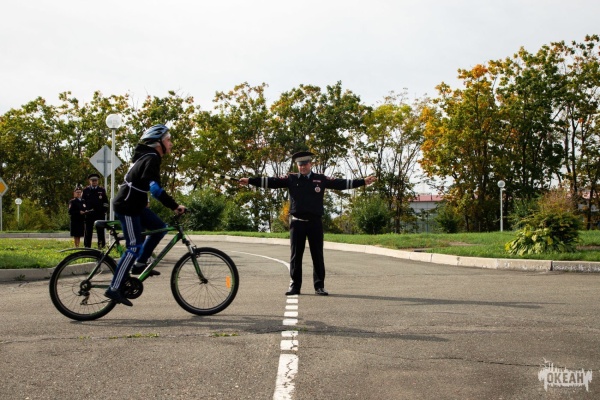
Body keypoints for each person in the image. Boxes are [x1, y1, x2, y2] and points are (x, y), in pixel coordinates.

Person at [239, 151, 377, 296]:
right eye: (300, 165)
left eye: (305, 164)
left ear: (310, 164)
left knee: (317, 255)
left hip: (315, 223)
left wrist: (362, 181)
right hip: (297, 223)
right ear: (297, 166)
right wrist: (250, 180)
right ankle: (295, 286)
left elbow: (340, 184)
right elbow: (271, 181)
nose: (302, 167)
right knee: (295, 256)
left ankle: (319, 286)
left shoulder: (320, 179)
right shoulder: (291, 178)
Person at [105, 124, 186, 306]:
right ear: (158, 143)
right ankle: (114, 288)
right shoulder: (151, 158)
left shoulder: (148, 157)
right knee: (134, 246)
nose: (171, 143)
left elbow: (144, 185)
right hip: (127, 206)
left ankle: (140, 264)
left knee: (160, 228)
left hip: (136, 206)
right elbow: (155, 189)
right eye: (168, 140)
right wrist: (174, 206)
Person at [82, 173, 109, 248]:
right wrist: (85, 210)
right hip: (89, 214)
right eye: (92, 181)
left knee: (100, 231)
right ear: (89, 181)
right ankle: (87, 247)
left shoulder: (101, 190)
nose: (94, 182)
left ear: (98, 181)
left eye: (95, 180)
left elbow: (105, 202)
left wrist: (104, 211)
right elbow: (83, 202)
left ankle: (101, 247)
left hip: (99, 214)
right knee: (88, 231)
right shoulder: (86, 190)